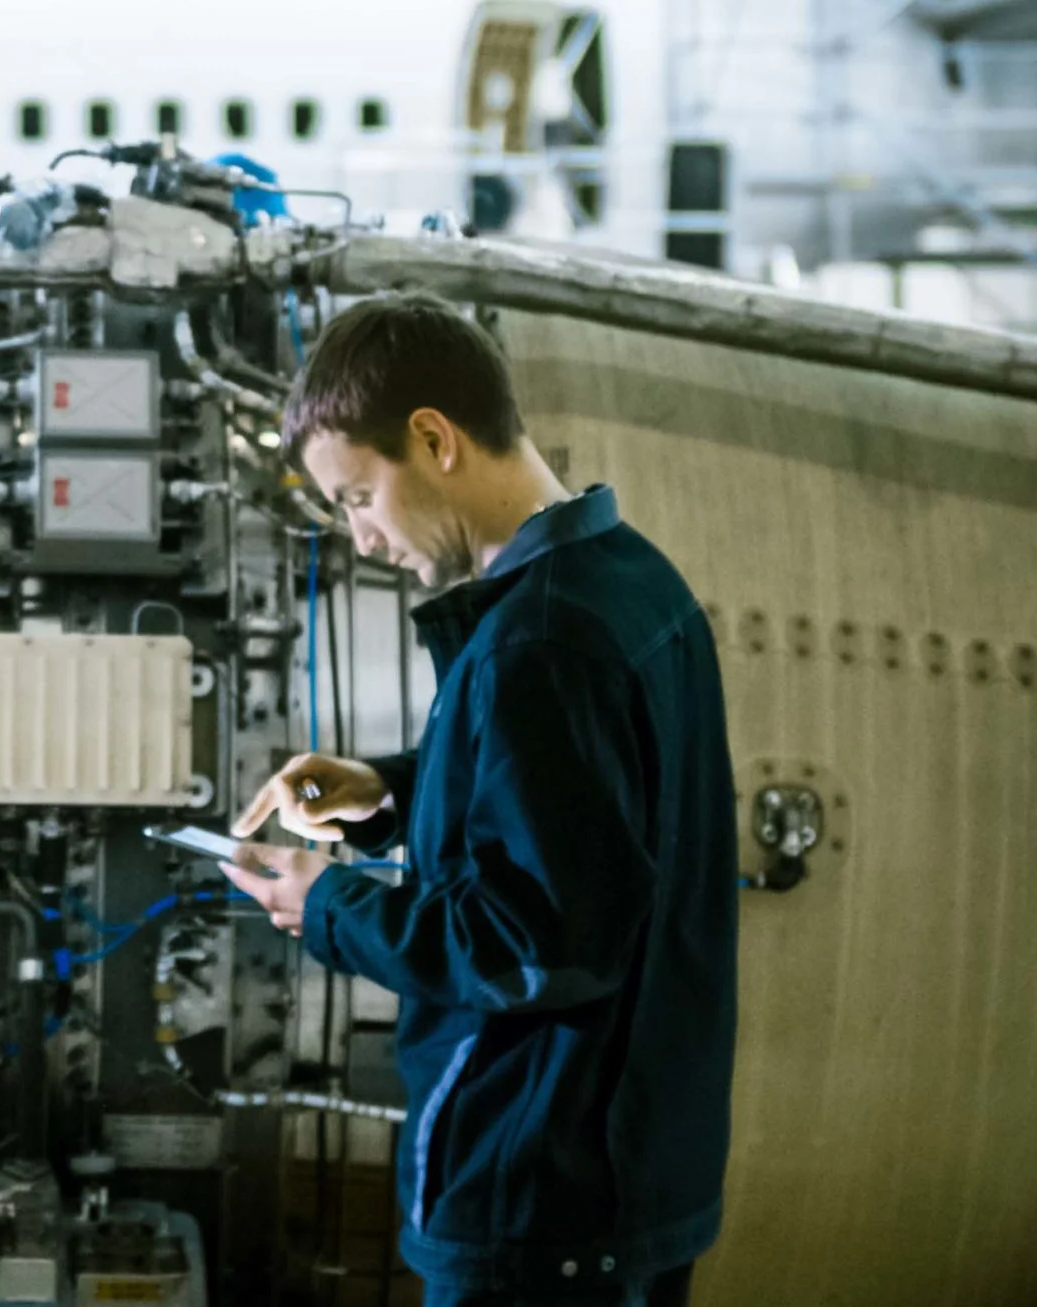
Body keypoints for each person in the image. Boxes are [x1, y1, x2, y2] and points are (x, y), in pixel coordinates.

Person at [221, 292, 737, 1307]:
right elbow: (577, 822)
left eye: (358, 496)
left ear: (431, 439)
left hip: (537, 1193)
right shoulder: (628, 582)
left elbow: (532, 940)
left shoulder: (536, 645)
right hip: (621, 1170)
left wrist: (325, 906)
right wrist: (386, 795)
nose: (360, 539)